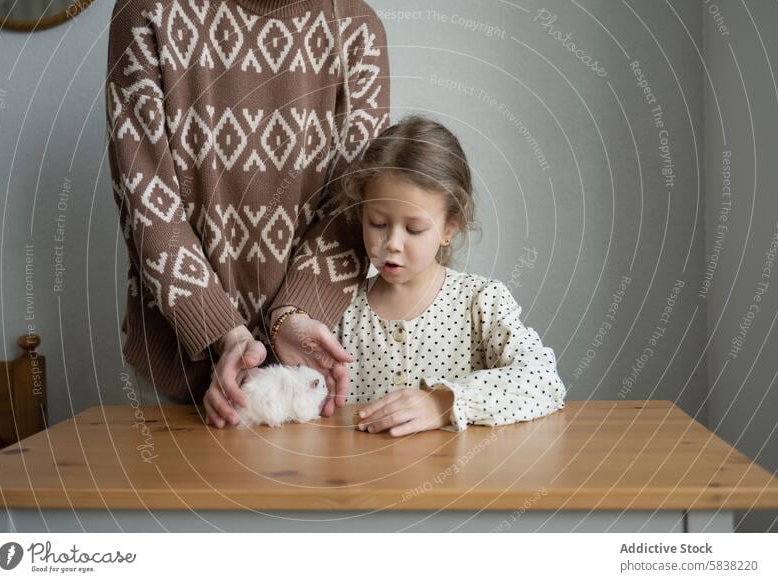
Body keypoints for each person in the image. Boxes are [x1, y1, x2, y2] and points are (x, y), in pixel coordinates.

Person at [105, 0, 390, 426]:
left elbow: (354, 207)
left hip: (307, 368)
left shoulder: (358, 27)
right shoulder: (146, 11)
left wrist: (293, 314)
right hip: (178, 357)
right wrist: (223, 331)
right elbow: (144, 197)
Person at [330, 115, 567, 434]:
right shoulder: (340, 307)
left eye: (414, 228)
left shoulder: (480, 302)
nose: (393, 243)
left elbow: (544, 381)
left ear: (449, 227)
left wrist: (446, 403)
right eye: (378, 224)